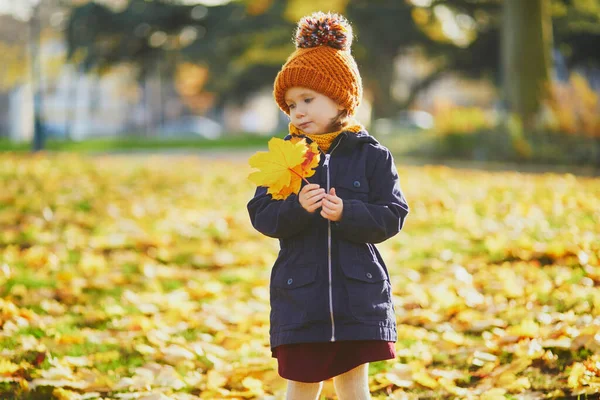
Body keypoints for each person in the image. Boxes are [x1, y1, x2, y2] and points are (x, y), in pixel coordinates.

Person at [247, 11, 409, 400]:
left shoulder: (372, 155)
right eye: (289, 104)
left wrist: (348, 213)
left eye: (307, 99)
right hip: (302, 294)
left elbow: (393, 214)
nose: (297, 111)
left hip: (357, 295)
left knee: (354, 384)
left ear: (340, 98)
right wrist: (297, 208)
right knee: (302, 383)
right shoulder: (285, 155)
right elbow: (262, 213)